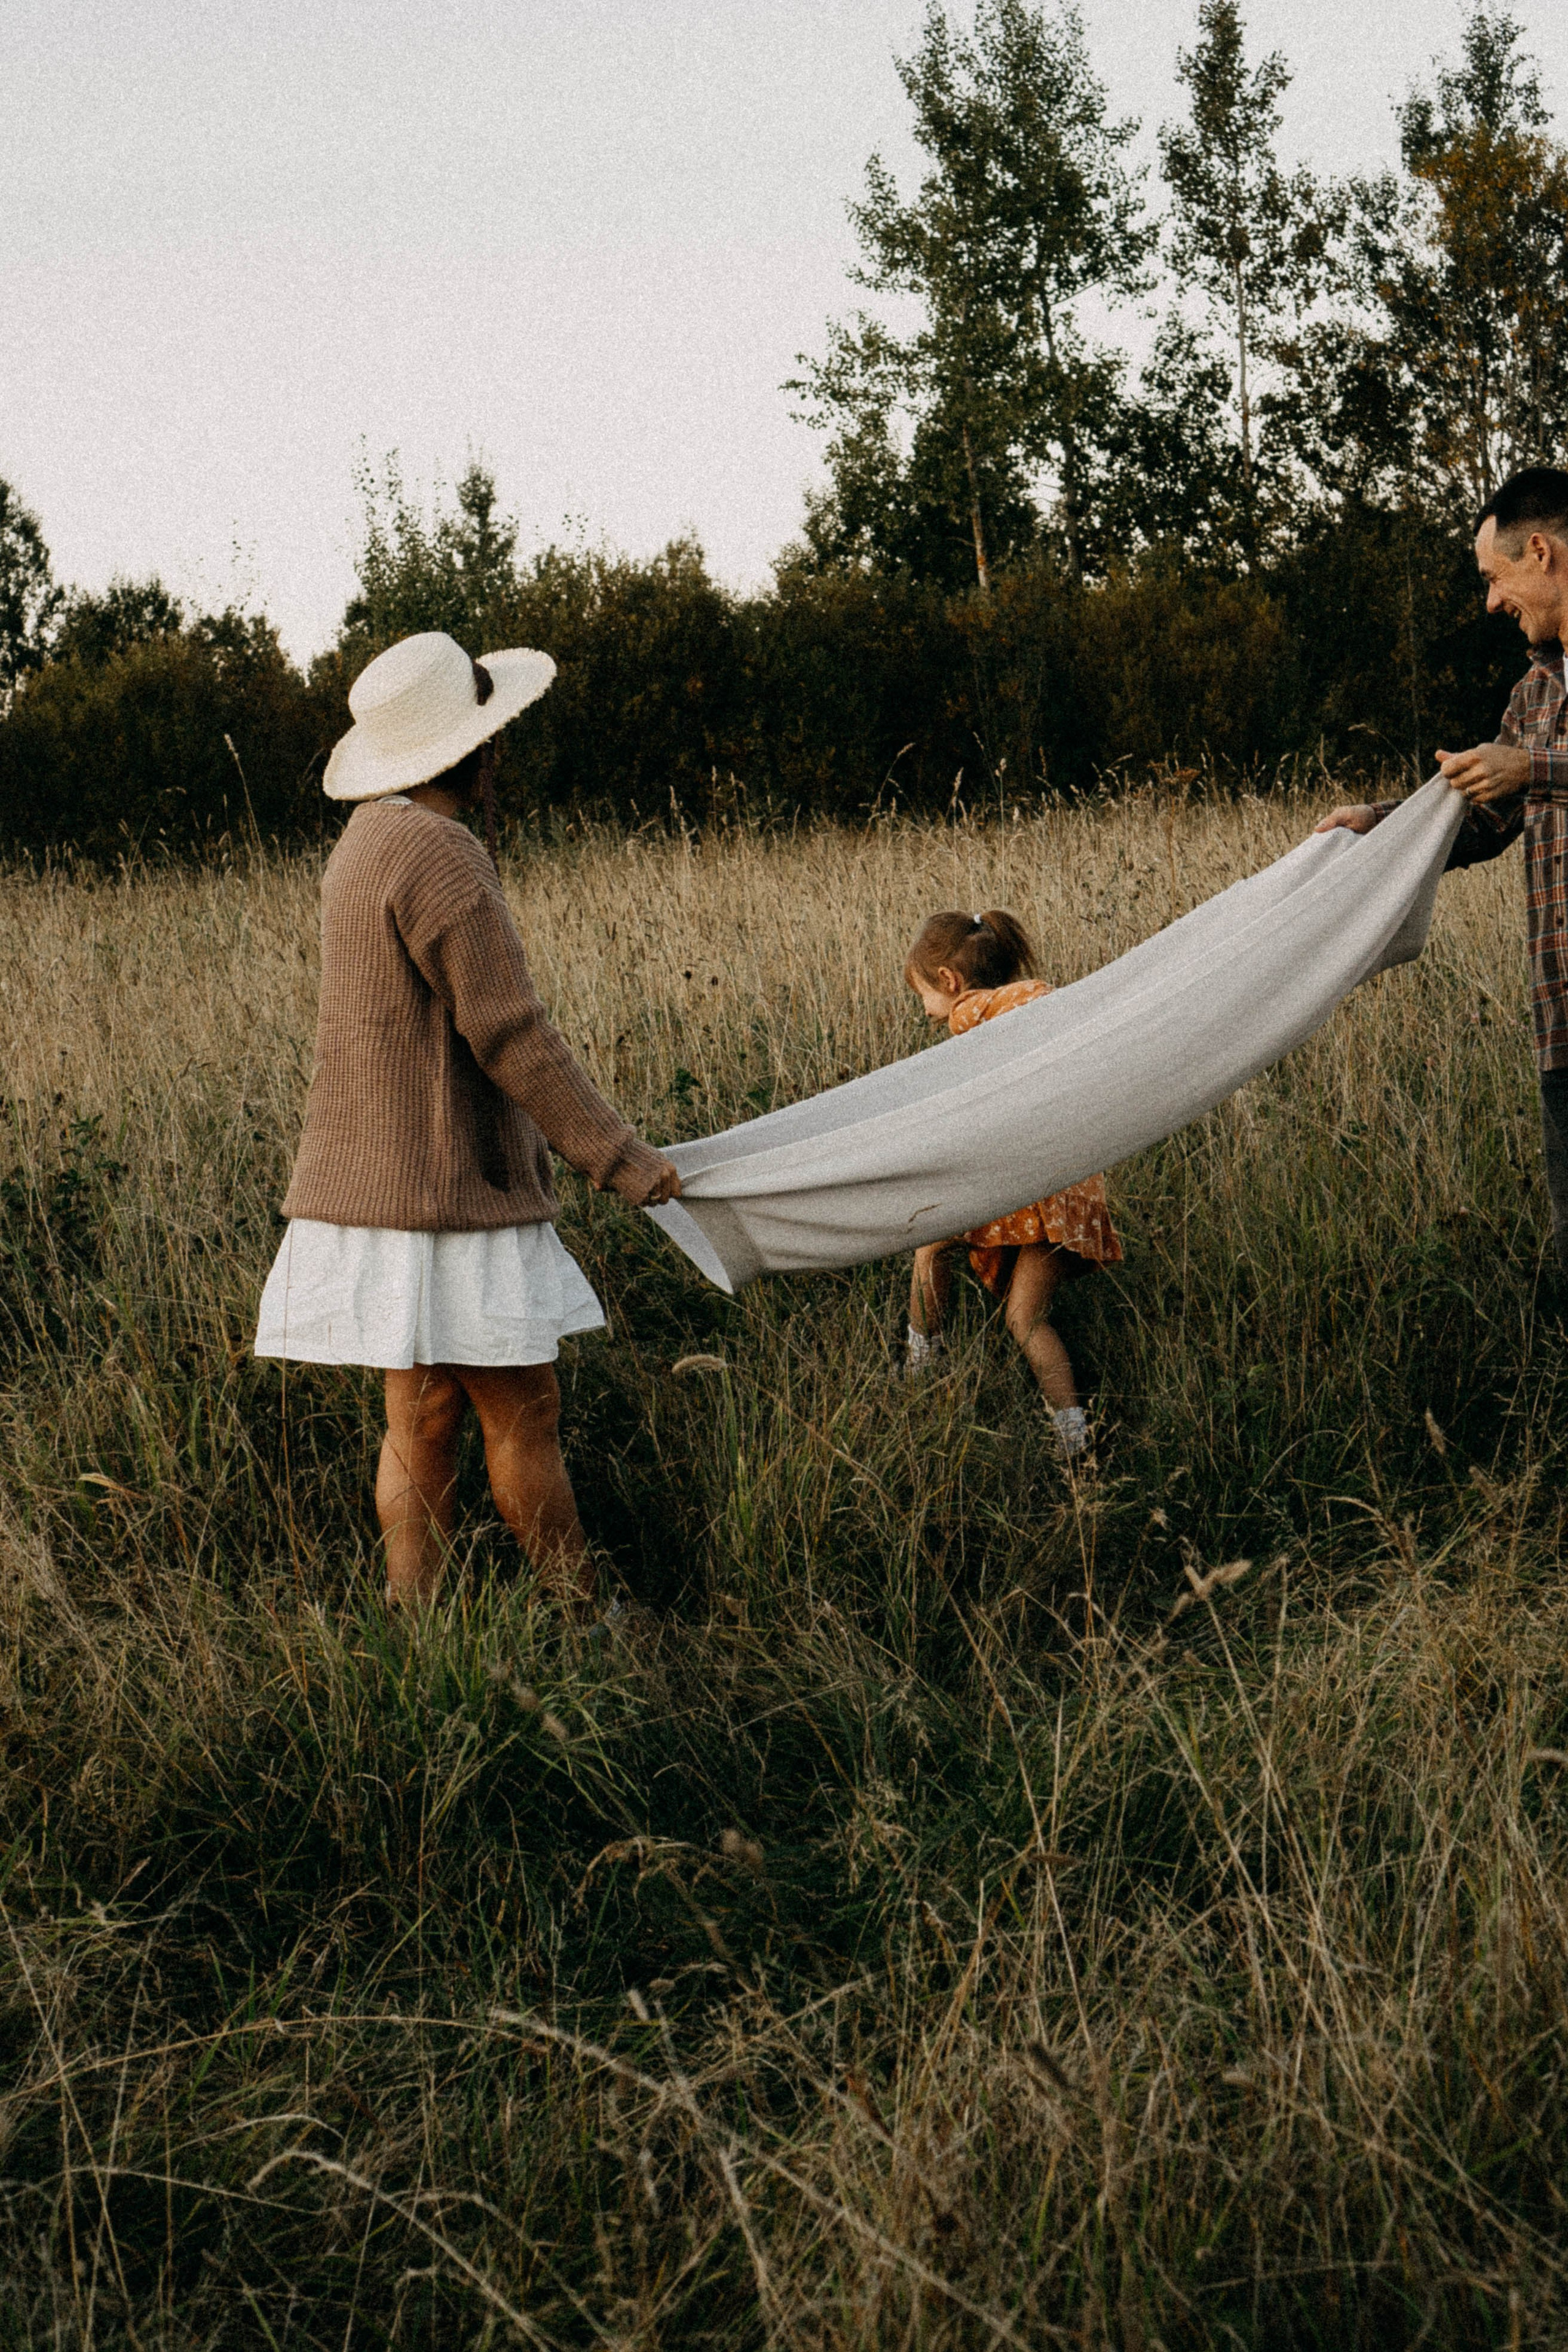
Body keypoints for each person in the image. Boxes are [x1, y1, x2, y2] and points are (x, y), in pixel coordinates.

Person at [255, 630, 681, 1613]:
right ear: (475, 750)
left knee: (419, 1423)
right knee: (525, 1418)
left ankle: (417, 1629)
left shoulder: (362, 846)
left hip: (378, 1199)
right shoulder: (444, 855)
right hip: (452, 1194)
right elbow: (514, 1036)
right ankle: (588, 1622)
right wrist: (617, 1158)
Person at [1316, 466, 1568, 1271]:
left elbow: (1523, 777)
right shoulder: (1533, 695)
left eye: (1494, 579)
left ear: (1540, 552)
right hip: (1562, 1025)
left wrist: (1533, 772)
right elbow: (1489, 818)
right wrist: (1382, 826)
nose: (1491, 602)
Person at [901, 909, 1122, 1460]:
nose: (926, 1010)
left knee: (930, 1245)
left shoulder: (973, 1013)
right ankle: (1075, 1442)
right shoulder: (1016, 1015)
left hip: (1026, 1187)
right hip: (1064, 1189)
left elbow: (1031, 1002)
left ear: (949, 983)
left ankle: (919, 1367)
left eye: (923, 994)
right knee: (1027, 1321)